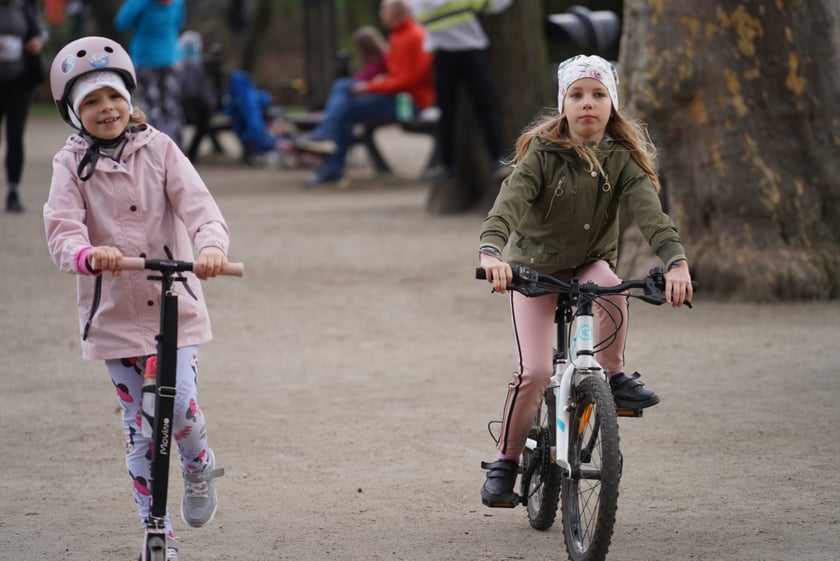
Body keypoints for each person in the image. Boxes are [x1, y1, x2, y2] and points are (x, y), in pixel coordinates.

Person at [477, 55, 694, 507]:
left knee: (613, 288)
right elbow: (508, 205)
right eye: (576, 95)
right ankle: (506, 462)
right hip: (534, 271)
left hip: (588, 264)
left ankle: (611, 375)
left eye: (598, 94)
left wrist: (676, 263)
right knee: (535, 372)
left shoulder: (622, 160)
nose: (587, 103)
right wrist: (492, 252)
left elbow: (652, 217)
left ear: (612, 105)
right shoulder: (542, 153)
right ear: (563, 105)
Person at [44, 36, 230, 561]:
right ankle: (157, 531)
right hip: (115, 315)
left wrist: (211, 248)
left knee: (180, 408)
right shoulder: (70, 164)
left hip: (174, 306)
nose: (106, 109)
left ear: (129, 98)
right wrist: (86, 254)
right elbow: (61, 229)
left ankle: (197, 465)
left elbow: (200, 207)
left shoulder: (161, 148)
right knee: (140, 430)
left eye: (113, 97)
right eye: (91, 102)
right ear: (74, 113)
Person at [294, 0, 434, 187]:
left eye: (383, 9)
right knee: (343, 88)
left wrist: (369, 87)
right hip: (399, 97)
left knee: (346, 107)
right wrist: (376, 83)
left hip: (409, 103)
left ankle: (329, 156)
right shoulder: (398, 35)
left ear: (395, 12)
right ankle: (326, 147)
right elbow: (397, 75)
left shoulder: (412, 36)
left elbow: (406, 81)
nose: (380, 13)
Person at [412, 0, 513, 180]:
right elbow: (494, 5)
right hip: (470, 52)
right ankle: (496, 159)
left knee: (448, 112)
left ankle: (446, 165)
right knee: (484, 107)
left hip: (445, 56)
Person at [292, 24, 389, 155]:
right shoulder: (369, 62)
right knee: (342, 105)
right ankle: (326, 141)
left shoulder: (384, 59)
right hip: (363, 97)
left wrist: (370, 85)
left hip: (377, 99)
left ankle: (324, 135)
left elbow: (387, 81)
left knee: (341, 90)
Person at [115, 0, 186, 145]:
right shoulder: (178, 2)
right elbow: (178, 24)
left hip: (145, 59)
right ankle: (176, 146)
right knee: (171, 106)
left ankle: (156, 146)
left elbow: (122, 22)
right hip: (171, 56)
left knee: (152, 107)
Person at [0, 0, 45, 213]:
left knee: (15, 133)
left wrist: (37, 41)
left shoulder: (24, 6)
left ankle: (13, 190)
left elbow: (40, 32)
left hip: (20, 81)